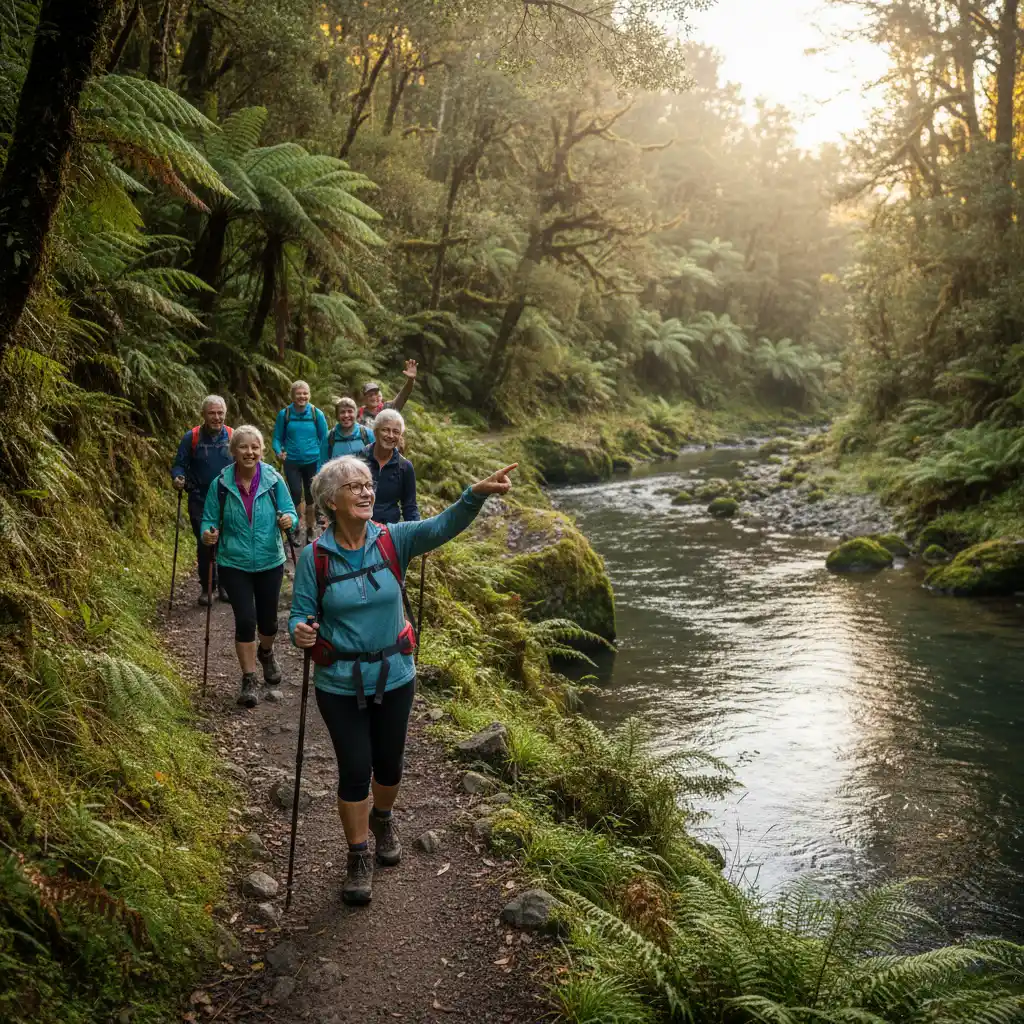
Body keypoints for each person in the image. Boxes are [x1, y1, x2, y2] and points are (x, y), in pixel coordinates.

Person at [290, 455, 517, 904]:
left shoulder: (393, 539)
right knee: (356, 769)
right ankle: (357, 855)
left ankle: (384, 816)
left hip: (395, 674)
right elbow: (300, 613)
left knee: (389, 765)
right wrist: (301, 631)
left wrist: (475, 494)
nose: (366, 492)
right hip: (339, 681)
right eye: (354, 486)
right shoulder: (314, 558)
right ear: (331, 501)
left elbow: (441, 526)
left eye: (368, 485)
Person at [201, 426, 297, 708]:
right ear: (233, 451)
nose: (250, 452)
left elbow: (290, 510)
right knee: (245, 620)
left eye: (255, 447)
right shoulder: (220, 484)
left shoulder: (273, 479)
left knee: (268, 622)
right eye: (243, 447)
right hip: (234, 562)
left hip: (270, 560)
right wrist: (208, 533)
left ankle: (266, 653)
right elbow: (209, 518)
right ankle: (249, 678)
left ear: (262, 451)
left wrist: (289, 520)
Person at [171, 395, 234, 606]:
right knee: (205, 543)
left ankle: (225, 585)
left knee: (226, 542)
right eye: (212, 413)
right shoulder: (192, 437)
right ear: (203, 414)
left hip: (229, 499)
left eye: (220, 413)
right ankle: (208, 587)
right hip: (200, 498)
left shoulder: (234, 436)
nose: (217, 417)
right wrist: (178, 478)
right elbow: (179, 464)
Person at [272, 380, 329, 545]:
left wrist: (323, 462)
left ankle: (311, 529)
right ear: (292, 395)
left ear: (309, 395)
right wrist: (278, 452)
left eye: (305, 393)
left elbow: (324, 439)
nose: (302, 396)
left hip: (313, 461)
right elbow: (277, 438)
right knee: (296, 494)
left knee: (311, 497)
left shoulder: (316, 413)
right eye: (299, 393)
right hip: (292, 462)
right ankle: (296, 529)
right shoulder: (285, 414)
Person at [358, 408, 419, 523]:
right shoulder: (360, 459)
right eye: (385, 430)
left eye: (396, 432)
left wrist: (414, 534)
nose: (390, 436)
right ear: (375, 432)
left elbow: (410, 507)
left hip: (388, 532)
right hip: (360, 527)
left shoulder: (405, 467)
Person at [357, 359, 417, 427]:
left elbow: (403, 396)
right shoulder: (358, 414)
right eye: (370, 395)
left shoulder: (387, 408)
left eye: (376, 394)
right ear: (364, 399)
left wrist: (411, 380)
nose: (374, 397)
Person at [323, 397, 374, 462]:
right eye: (342, 412)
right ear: (337, 415)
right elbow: (322, 464)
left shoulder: (368, 434)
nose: (346, 415)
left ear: (356, 414)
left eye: (350, 411)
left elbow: (376, 461)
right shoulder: (328, 437)